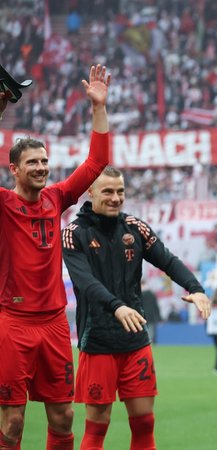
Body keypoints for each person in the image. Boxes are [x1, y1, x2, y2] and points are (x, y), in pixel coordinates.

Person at [0, 64, 111, 450]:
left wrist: (99, 107)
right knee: (12, 422)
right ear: (13, 168)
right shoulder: (3, 203)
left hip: (53, 324)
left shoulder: (56, 198)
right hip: (12, 323)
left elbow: (96, 164)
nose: (42, 168)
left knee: (64, 417)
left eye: (44, 162)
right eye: (32, 162)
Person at [61, 167, 212, 450]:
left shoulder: (135, 227)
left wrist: (196, 288)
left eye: (120, 191)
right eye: (108, 191)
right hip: (97, 342)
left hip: (135, 342)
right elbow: (86, 282)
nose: (116, 197)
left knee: (144, 424)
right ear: (90, 192)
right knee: (97, 427)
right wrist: (117, 307)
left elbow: (168, 260)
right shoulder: (73, 233)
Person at [140, 280, 161, 345]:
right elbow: (156, 307)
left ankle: (144, 344)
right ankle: (150, 344)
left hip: (141, 316)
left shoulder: (138, 294)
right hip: (151, 316)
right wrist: (159, 317)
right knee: (151, 332)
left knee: (142, 331)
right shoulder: (151, 294)